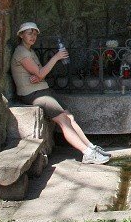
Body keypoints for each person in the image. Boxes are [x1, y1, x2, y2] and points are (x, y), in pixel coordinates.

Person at [11, 22, 111, 165]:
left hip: (41, 89)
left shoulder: (30, 51)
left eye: (35, 33)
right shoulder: (21, 52)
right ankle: (87, 153)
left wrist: (39, 76)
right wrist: (56, 58)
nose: (33, 36)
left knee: (70, 117)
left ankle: (91, 147)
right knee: (64, 120)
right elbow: (40, 73)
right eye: (29, 33)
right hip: (33, 93)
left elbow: (40, 75)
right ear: (21, 35)